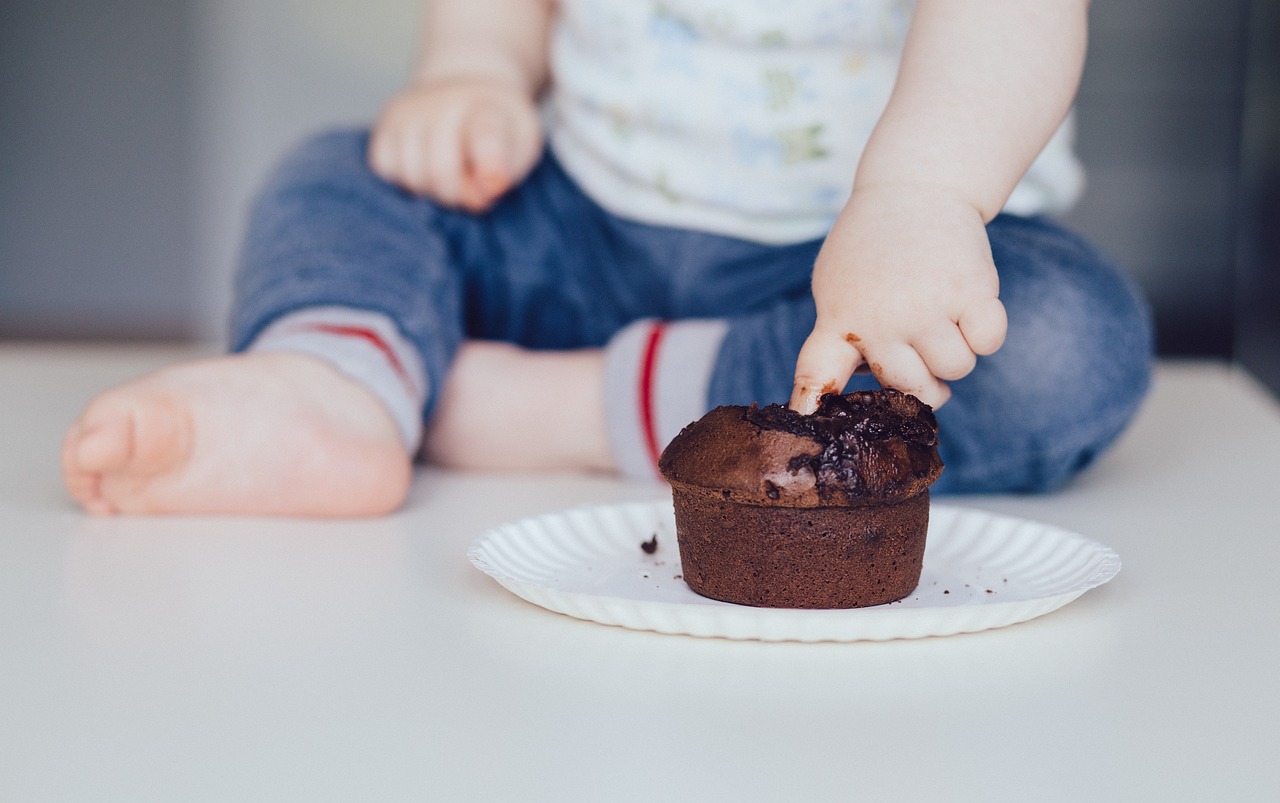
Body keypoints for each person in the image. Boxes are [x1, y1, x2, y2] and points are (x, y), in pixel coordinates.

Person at [61, 0, 1153, 517]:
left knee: (1061, 339)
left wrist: (922, 197)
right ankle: (331, 379)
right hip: (579, 234)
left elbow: (1006, 25)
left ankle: (548, 408)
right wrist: (474, 69)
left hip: (842, 297)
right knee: (343, 173)